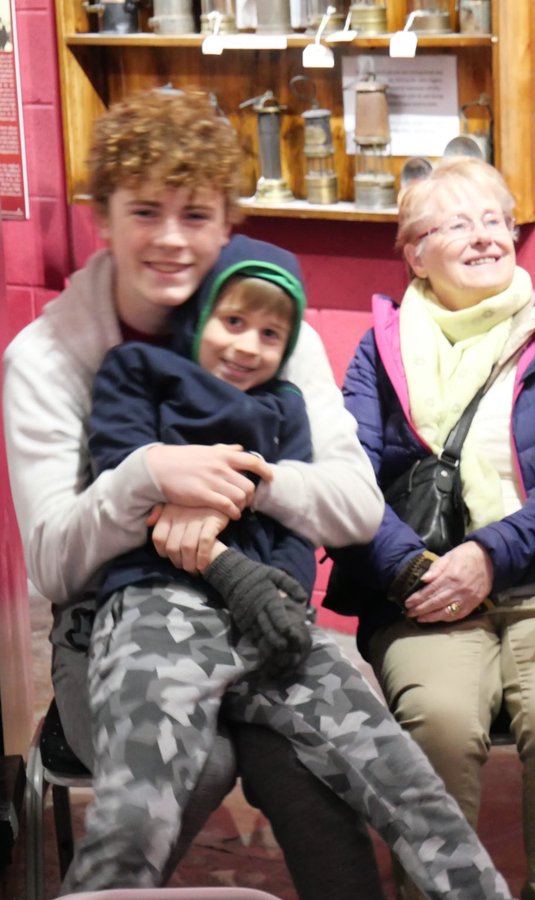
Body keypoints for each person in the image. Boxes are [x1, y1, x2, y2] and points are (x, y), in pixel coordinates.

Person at [2, 89, 389, 899]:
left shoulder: (268, 327)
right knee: (194, 755)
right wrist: (145, 477)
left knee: (311, 759)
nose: (173, 239)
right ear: (103, 220)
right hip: (109, 630)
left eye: (196, 215)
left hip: (256, 615)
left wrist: (236, 483)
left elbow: (357, 506)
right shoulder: (45, 358)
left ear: (225, 226)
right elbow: (52, 565)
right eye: (146, 211)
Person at [64, 233, 512, 899]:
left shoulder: (286, 407)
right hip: (158, 608)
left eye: (271, 334)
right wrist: (228, 558)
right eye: (232, 321)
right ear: (200, 314)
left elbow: (295, 535)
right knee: (138, 807)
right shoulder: (138, 370)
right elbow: (128, 481)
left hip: (271, 624)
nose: (248, 346)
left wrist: (278, 596)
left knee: (404, 779)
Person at [327, 156, 535, 900]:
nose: (487, 237)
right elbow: (346, 480)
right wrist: (412, 569)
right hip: (422, 588)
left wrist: (488, 556)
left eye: (496, 220)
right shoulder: (379, 351)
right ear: (415, 253)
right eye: (459, 224)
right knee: (438, 721)